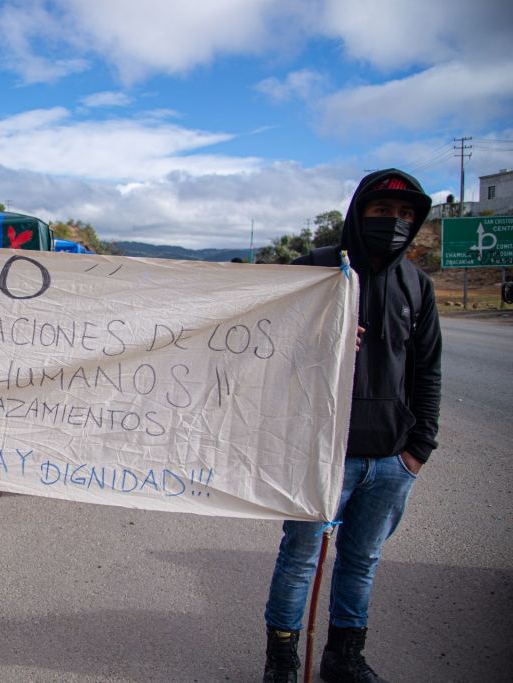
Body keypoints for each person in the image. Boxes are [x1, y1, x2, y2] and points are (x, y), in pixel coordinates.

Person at [262, 169, 442, 683]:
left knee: (361, 562)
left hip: (390, 461)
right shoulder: (318, 269)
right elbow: (262, 346)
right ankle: (282, 663)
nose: (395, 223)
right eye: (383, 212)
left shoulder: (417, 285)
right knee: (299, 561)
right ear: (359, 213)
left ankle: (344, 656)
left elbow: (428, 370)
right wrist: (315, 340)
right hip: (321, 458)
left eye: (406, 215)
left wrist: (417, 451)